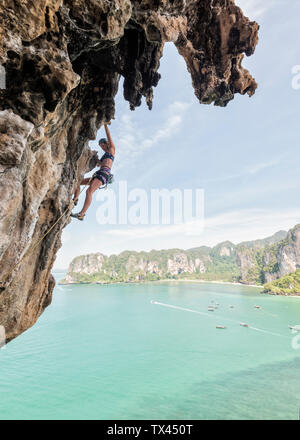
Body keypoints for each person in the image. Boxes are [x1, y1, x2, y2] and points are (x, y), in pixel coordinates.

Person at [71, 124, 115, 221]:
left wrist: (105, 125)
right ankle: (75, 199)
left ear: (106, 143)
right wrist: (95, 156)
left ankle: (81, 214)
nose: (102, 147)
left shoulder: (112, 149)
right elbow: (99, 164)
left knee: (89, 191)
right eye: (101, 146)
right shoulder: (105, 155)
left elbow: (108, 135)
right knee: (77, 182)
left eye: (103, 145)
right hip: (99, 173)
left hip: (104, 174)